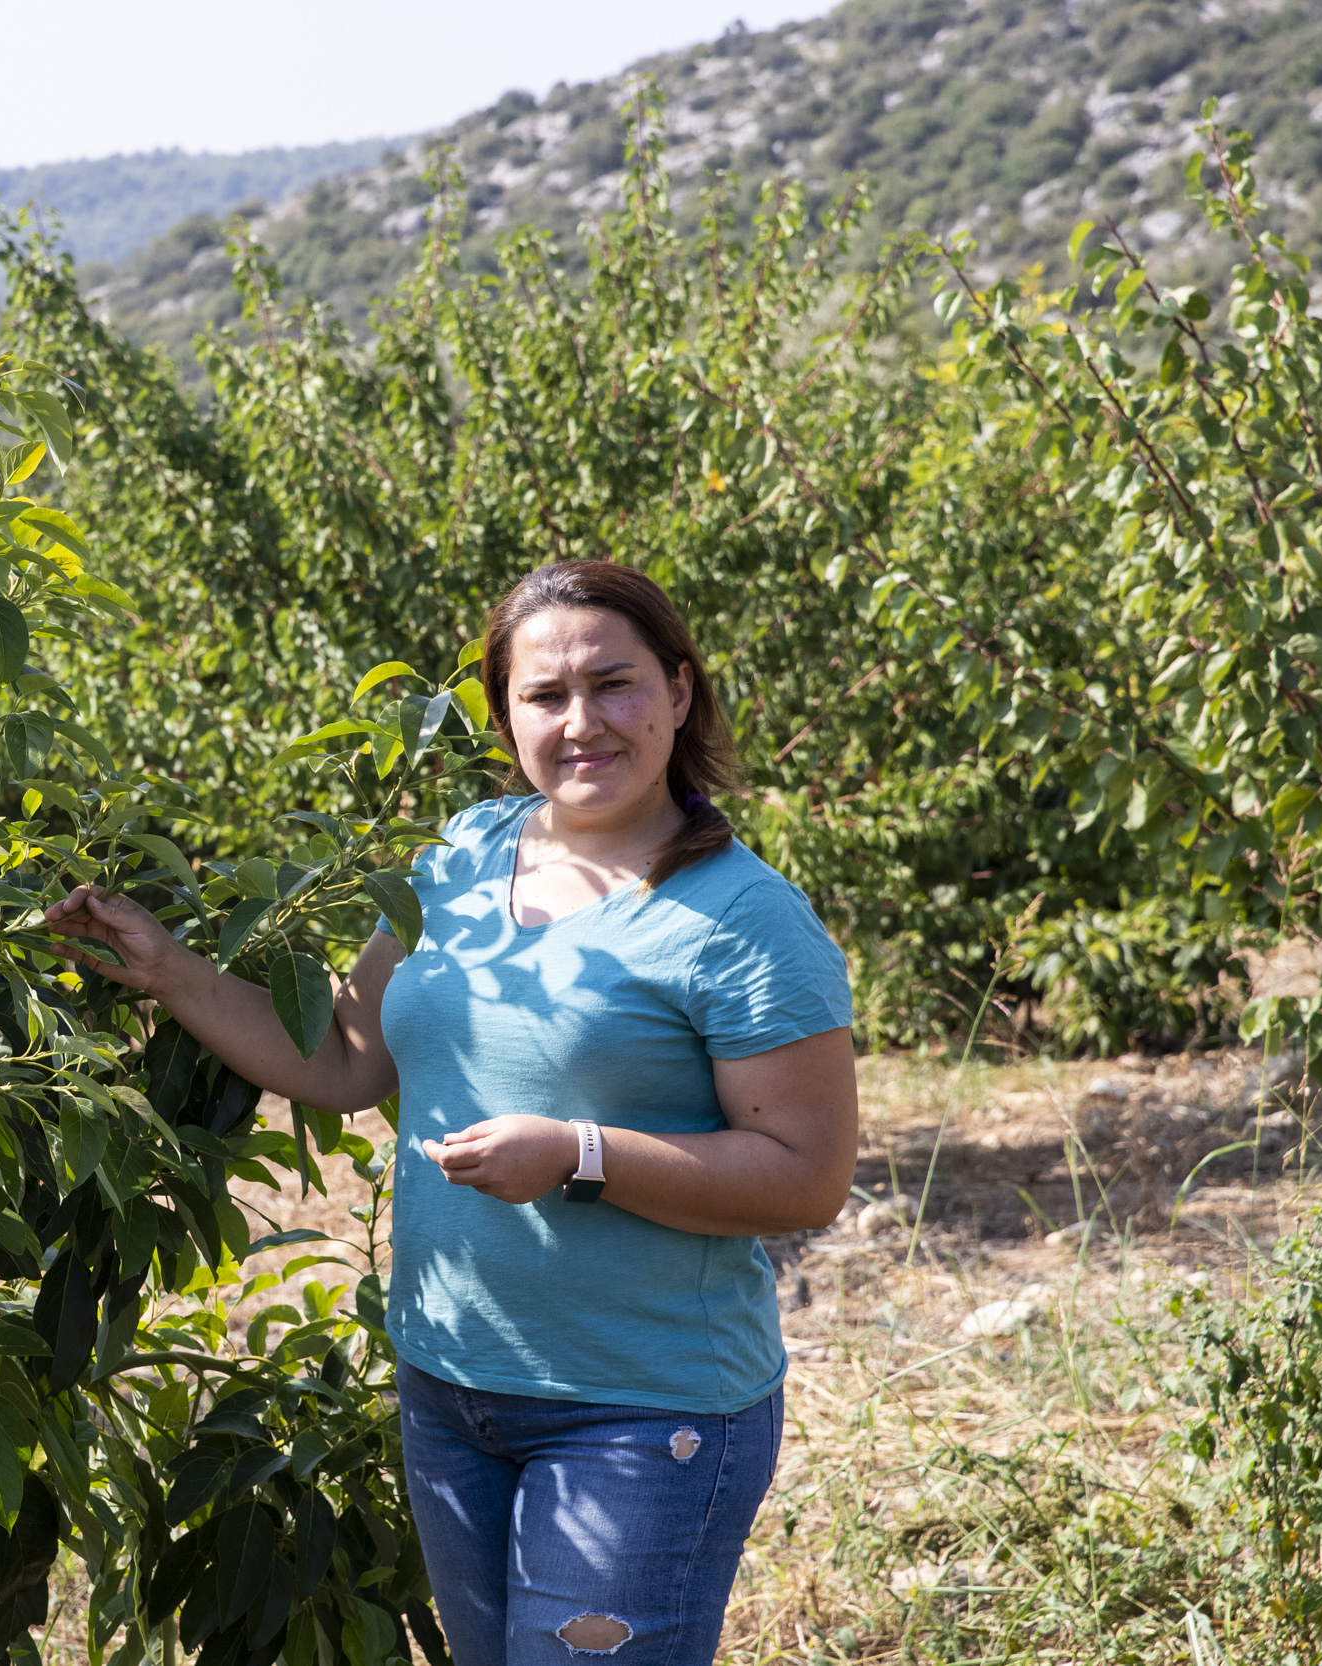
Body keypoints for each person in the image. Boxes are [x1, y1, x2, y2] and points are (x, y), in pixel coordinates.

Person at [45, 560, 857, 1666]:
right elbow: (343, 1057)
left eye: (614, 685)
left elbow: (804, 1174)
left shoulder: (742, 917)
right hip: (450, 1387)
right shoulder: (466, 853)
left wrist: (580, 1155)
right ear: (503, 717)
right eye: (545, 696)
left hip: (641, 1413)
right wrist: (170, 970)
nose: (583, 722)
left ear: (678, 690)